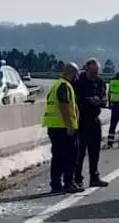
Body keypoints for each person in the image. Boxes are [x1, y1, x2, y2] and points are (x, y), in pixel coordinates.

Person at [42, 62, 82, 194]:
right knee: (70, 156)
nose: (77, 78)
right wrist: (70, 126)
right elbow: (64, 106)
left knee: (58, 156)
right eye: (76, 74)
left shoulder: (56, 84)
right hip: (63, 128)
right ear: (72, 73)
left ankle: (56, 184)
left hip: (54, 127)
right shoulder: (64, 86)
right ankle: (68, 183)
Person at [72, 58, 109, 188]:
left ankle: (94, 177)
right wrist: (88, 101)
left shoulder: (100, 82)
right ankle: (77, 178)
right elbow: (73, 100)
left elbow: (104, 96)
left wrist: (101, 101)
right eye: (92, 72)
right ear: (86, 69)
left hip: (94, 119)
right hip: (81, 121)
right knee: (79, 152)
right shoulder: (78, 81)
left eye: (96, 72)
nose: (94, 75)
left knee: (95, 151)